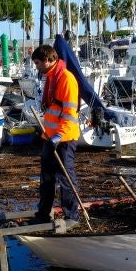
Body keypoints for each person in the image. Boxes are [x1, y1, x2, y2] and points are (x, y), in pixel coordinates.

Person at [31, 45, 81, 227]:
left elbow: (70, 113)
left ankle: (72, 216)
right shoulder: (51, 77)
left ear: (47, 60)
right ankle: (43, 213)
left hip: (64, 139)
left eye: (38, 63)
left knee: (66, 178)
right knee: (46, 178)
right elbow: (52, 109)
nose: (37, 67)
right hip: (49, 137)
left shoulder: (66, 79)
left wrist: (59, 136)